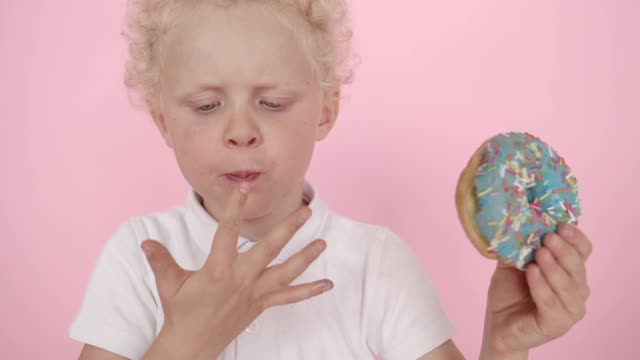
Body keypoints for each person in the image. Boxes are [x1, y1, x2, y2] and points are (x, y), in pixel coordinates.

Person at [69, 1, 592, 359]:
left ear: (325, 110)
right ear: (163, 121)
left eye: (272, 103)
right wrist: (188, 340)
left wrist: (505, 344)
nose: (241, 131)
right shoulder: (139, 255)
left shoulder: (376, 262)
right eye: (206, 106)